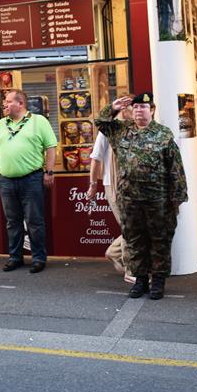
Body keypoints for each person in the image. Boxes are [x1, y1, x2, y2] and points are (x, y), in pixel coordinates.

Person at [95, 93, 187, 300]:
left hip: (158, 200)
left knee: (159, 241)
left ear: (152, 110)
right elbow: (100, 122)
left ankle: (159, 282)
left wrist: (177, 198)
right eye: (135, 107)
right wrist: (114, 107)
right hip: (129, 200)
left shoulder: (163, 135)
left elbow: (176, 168)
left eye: (143, 107)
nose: (138, 110)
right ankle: (140, 281)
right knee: (135, 241)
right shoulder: (121, 131)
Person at [0, 89, 57, 274]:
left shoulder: (38, 121)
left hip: (32, 179)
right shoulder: (1, 124)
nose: (5, 104)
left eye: (8, 101)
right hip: (7, 181)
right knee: (12, 222)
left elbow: (51, 147)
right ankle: (15, 257)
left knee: (34, 221)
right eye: (4, 101)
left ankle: (38, 258)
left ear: (20, 103)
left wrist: (49, 171)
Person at [87, 100, 135, 284]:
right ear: (123, 108)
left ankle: (114, 252)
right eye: (133, 107)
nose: (136, 111)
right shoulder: (107, 131)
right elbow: (95, 159)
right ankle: (131, 270)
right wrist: (93, 184)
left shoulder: (133, 129)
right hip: (112, 185)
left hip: (132, 185)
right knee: (130, 227)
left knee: (133, 226)